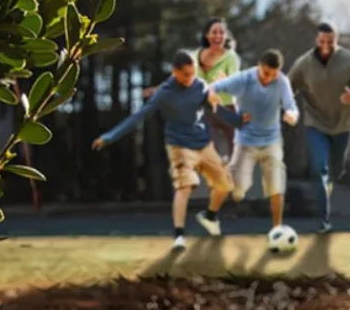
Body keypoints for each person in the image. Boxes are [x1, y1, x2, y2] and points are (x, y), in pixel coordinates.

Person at [92, 51, 242, 252]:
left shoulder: (200, 86)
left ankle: (210, 216)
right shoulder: (164, 93)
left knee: (225, 185)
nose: (190, 79)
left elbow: (217, 110)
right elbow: (139, 116)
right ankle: (179, 236)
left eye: (193, 73)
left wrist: (239, 120)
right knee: (185, 187)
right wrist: (110, 136)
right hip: (179, 146)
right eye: (186, 75)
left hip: (204, 144)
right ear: (175, 72)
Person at [200, 49, 299, 249]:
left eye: (273, 74)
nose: (269, 78)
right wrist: (212, 96)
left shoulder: (282, 82)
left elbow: (291, 107)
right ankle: (209, 216)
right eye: (265, 73)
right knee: (236, 189)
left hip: (272, 141)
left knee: (276, 185)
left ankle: (276, 230)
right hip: (246, 142)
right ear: (258, 67)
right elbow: (211, 89)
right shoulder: (243, 79)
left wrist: (291, 115)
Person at [288, 22, 350, 233]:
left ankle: (330, 181)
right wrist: (286, 107)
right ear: (316, 41)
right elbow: (287, 87)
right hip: (315, 124)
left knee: (335, 171)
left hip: (343, 126)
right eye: (322, 41)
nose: (326, 46)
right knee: (320, 169)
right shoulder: (304, 64)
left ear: (336, 40)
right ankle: (324, 221)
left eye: (330, 41)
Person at [144, 18, 242, 159]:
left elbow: (235, 82)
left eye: (222, 32)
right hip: (206, 111)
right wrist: (157, 90)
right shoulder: (193, 57)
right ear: (207, 35)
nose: (218, 36)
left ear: (226, 36)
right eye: (214, 32)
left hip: (227, 109)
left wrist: (225, 82)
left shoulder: (230, 58)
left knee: (236, 150)